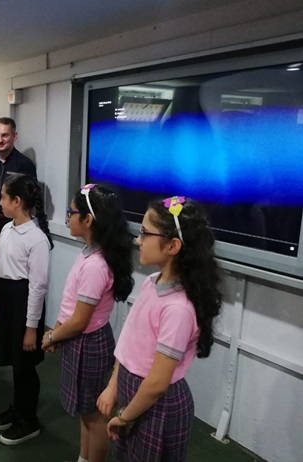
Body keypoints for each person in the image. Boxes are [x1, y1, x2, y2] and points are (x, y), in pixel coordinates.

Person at [97, 196, 222, 462]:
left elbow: (156, 384)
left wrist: (124, 417)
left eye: (145, 233)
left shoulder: (178, 309)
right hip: (134, 393)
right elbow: (128, 342)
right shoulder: (151, 282)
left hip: (157, 407)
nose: (137, 240)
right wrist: (113, 385)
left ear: (173, 245)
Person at [41, 184, 134, 462]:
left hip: (88, 345)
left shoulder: (96, 265)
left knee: (94, 415)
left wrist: (52, 336)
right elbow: (71, 304)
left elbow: (80, 320)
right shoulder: (90, 253)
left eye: (71, 212)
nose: (67, 217)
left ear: (88, 220)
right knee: (86, 410)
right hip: (79, 340)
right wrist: (58, 330)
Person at [0, 173, 53, 446]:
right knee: (15, 360)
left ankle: (29, 420)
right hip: (5, 299)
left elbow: (38, 287)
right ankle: (18, 408)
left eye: (3, 197)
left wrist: (31, 328)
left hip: (23, 304)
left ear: (17, 201)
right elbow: (0, 270)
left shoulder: (37, 239)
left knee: (25, 364)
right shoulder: (6, 229)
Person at [0, 117, 37, 238]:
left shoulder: (25, 164)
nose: (0, 140)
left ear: (14, 136)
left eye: (4, 135)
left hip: (12, 223)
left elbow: (31, 197)